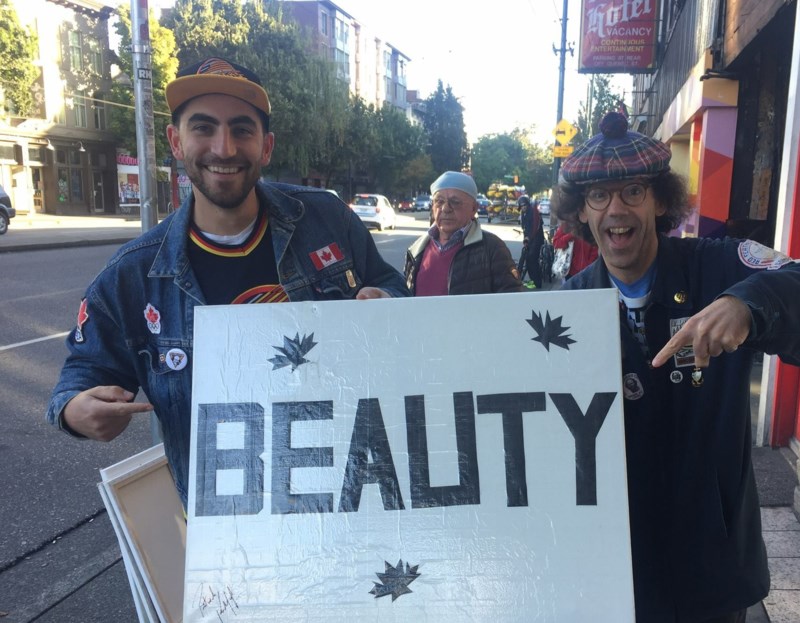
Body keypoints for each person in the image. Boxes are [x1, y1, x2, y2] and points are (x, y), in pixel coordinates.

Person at [46, 57, 410, 506]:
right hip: (228, 526)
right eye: (203, 128)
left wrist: (387, 300)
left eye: (242, 129)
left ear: (267, 146)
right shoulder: (134, 274)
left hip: (351, 494)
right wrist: (76, 410)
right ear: (176, 142)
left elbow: (390, 285)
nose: (224, 148)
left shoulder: (327, 219)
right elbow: (81, 375)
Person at [554, 111, 800, 622]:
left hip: (712, 565)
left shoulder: (718, 265)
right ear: (582, 212)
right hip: (615, 569)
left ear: (658, 200)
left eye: (632, 190)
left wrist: (749, 303)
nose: (616, 208)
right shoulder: (565, 310)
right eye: (598, 195)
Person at [404, 171, 523, 296]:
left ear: (473, 209)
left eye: (455, 202)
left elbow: (512, 302)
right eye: (439, 201)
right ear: (432, 206)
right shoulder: (416, 250)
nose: (445, 208)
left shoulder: (493, 249)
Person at [518, 195, 545, 288]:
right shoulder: (523, 214)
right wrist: (525, 238)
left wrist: (529, 237)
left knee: (532, 258)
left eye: (524, 205)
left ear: (528, 205)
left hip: (537, 238)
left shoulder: (533, 211)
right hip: (530, 239)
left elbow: (535, 227)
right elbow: (525, 228)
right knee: (526, 257)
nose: (523, 207)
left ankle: (537, 282)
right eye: (521, 206)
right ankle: (532, 279)